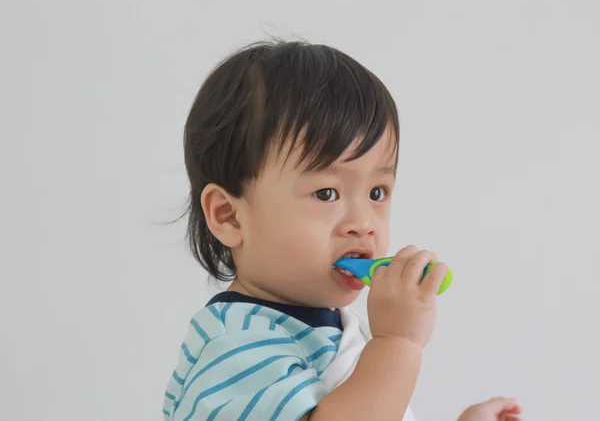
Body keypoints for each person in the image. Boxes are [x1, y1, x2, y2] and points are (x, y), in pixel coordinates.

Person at [163, 40, 522, 421]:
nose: (363, 224)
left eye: (377, 192)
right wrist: (398, 343)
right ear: (230, 217)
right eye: (327, 192)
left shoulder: (332, 330)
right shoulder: (236, 347)